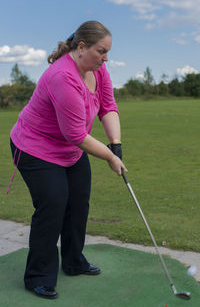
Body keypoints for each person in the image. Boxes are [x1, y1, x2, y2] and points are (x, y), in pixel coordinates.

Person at [8, 20, 127, 299]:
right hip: (34, 148)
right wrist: (109, 157)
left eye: (108, 51)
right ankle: (38, 276)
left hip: (70, 150)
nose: (106, 58)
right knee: (53, 205)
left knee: (77, 203)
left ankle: (74, 261)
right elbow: (75, 134)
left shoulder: (97, 68)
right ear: (82, 47)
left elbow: (108, 106)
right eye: (101, 51)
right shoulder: (62, 75)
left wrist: (116, 145)